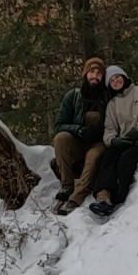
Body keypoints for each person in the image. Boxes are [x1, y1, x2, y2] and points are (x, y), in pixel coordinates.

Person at [89, 65, 138, 217]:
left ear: (124, 77)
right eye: (112, 80)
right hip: (124, 141)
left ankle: (118, 198)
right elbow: (109, 129)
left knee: (126, 159)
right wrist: (113, 140)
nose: (116, 81)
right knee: (108, 156)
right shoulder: (112, 104)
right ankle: (103, 195)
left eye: (118, 77)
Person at [51, 57, 110, 215]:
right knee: (61, 138)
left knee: (93, 156)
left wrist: (100, 133)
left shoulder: (108, 97)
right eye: (91, 72)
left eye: (99, 73)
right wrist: (77, 130)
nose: (95, 76)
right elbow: (59, 125)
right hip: (78, 141)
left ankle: (76, 197)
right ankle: (67, 184)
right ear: (85, 74)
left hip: (98, 143)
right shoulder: (73, 96)